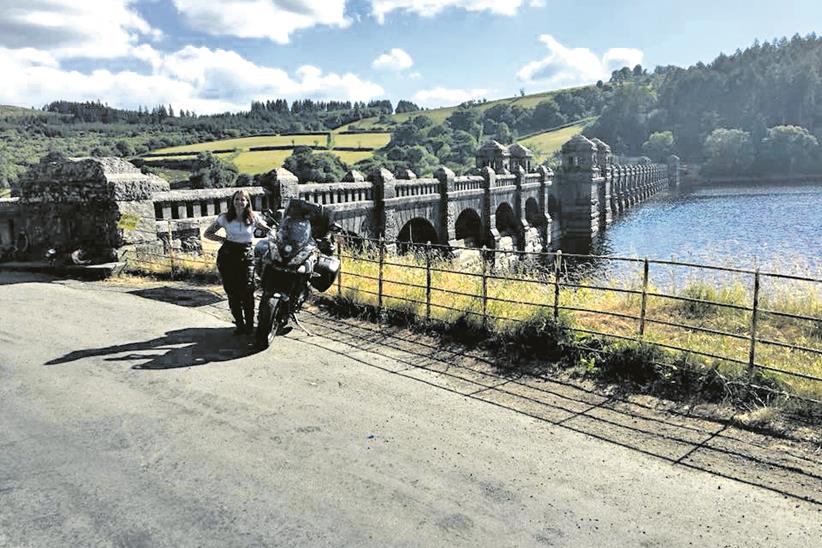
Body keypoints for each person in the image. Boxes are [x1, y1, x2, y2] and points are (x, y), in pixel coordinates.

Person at [204, 190, 270, 335]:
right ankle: (239, 324)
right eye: (237, 199)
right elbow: (207, 233)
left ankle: (250, 325)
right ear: (232, 202)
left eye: (243, 199)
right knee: (232, 292)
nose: (240, 202)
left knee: (248, 290)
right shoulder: (224, 218)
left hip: (246, 255)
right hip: (228, 256)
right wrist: (222, 240)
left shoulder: (254, 218)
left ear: (247, 202)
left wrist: (274, 231)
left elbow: (267, 229)